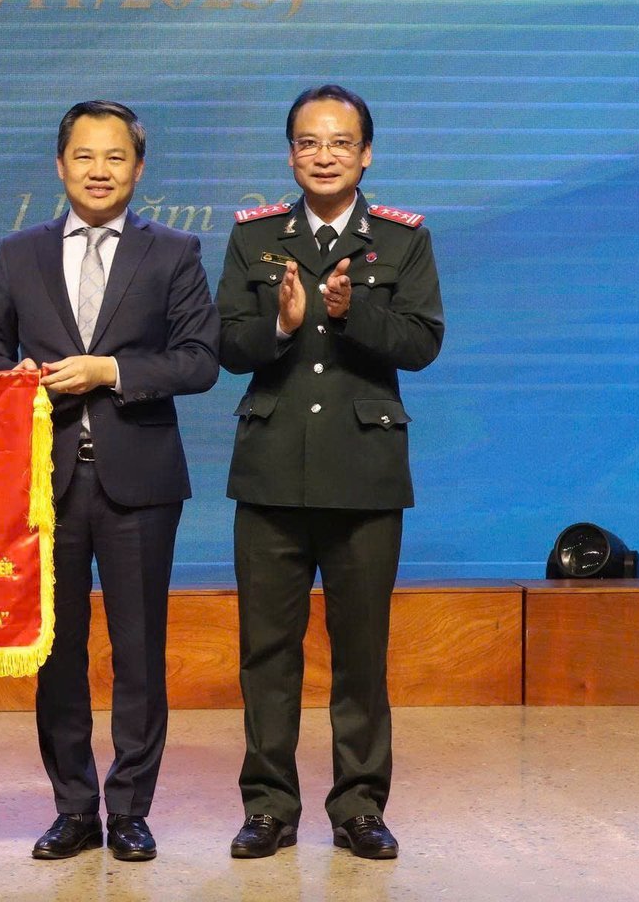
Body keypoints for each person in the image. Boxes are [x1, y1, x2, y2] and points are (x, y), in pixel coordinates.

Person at [0, 100, 218, 863]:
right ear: (60, 165)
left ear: (138, 169)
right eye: (85, 156)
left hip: (140, 481)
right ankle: (73, 808)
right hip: (43, 486)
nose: (99, 170)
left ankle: (131, 810)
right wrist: (5, 378)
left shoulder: (173, 251)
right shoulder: (19, 253)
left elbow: (200, 360)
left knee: (140, 653)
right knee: (59, 653)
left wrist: (113, 371)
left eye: (115, 158)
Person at [215, 84, 444, 862]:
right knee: (266, 652)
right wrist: (281, 324)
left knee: (361, 650)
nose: (323, 155)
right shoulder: (254, 238)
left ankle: (359, 808)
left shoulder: (402, 240)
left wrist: (354, 315)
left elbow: (421, 343)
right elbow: (227, 346)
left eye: (339, 143)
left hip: (365, 475)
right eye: (309, 143)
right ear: (290, 154)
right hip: (271, 472)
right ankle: (270, 807)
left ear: (365, 154)